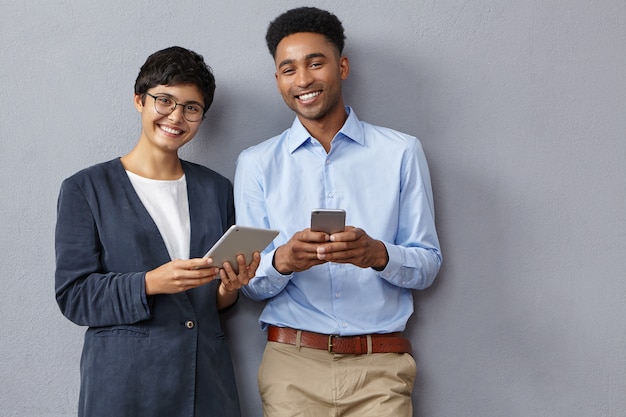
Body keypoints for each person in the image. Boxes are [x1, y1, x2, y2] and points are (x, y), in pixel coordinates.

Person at [233, 7, 442, 417]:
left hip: (380, 367)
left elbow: (429, 264)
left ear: (341, 66)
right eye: (288, 69)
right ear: (278, 80)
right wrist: (283, 261)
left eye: (316, 63)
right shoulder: (255, 164)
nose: (304, 79)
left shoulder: (401, 152)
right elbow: (250, 285)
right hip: (291, 367)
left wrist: (377, 254)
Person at [55, 46, 257, 417]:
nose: (176, 116)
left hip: (206, 385)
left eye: (191, 108)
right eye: (164, 100)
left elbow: (212, 303)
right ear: (139, 101)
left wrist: (229, 288)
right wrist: (150, 282)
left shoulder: (217, 189)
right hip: (126, 387)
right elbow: (74, 296)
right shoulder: (86, 188)